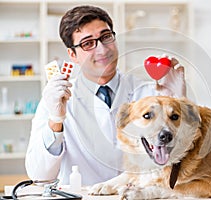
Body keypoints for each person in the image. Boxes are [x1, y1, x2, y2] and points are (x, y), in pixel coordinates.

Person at [25, 5, 186, 186]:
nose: (102, 49)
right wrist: (55, 120)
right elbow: (39, 175)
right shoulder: (56, 100)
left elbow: (184, 161)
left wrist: (180, 102)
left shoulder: (150, 93)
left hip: (140, 195)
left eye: (106, 37)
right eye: (88, 43)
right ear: (73, 55)